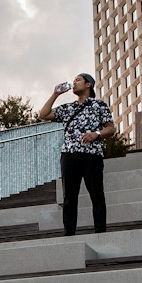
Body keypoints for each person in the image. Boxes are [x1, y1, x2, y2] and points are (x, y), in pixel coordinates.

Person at [38, 73, 115, 235]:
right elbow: (43, 115)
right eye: (73, 81)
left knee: (97, 194)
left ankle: (100, 232)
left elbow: (110, 128)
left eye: (78, 80)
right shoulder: (68, 108)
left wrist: (96, 134)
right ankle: (69, 233)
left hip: (92, 154)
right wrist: (55, 94)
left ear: (88, 85)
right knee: (69, 197)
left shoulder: (99, 105)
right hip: (69, 155)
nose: (74, 83)